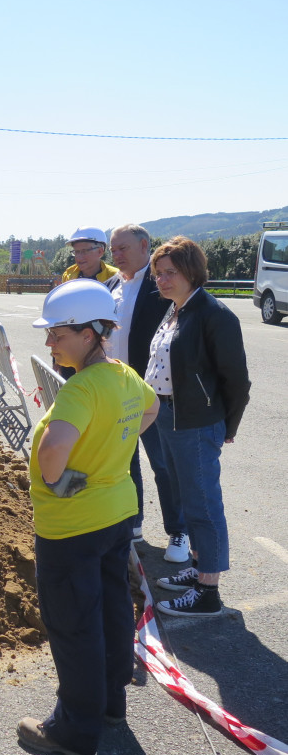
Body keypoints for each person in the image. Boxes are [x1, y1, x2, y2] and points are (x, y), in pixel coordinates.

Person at [16, 280, 158, 755]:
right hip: (115, 514)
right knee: (113, 608)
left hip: (71, 527)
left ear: (93, 332)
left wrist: (60, 478)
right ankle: (110, 704)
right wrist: (109, 453)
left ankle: (75, 730)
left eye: (58, 333)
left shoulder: (80, 388)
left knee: (74, 623)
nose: (50, 342)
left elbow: (54, 453)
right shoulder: (122, 375)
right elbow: (151, 408)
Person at [147, 238, 251, 617]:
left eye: (169, 272)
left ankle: (208, 591)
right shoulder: (176, 310)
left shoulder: (214, 314)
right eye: (158, 273)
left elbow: (237, 380)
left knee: (204, 505)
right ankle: (197, 569)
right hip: (168, 418)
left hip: (195, 422)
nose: (161, 279)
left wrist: (227, 424)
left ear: (192, 271)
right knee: (187, 501)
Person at [107, 224, 188, 561]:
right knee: (126, 463)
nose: (116, 255)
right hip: (116, 391)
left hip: (152, 394)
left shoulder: (160, 287)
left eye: (122, 248)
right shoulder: (111, 284)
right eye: (113, 249)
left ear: (144, 246)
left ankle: (179, 532)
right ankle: (134, 522)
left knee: (164, 465)